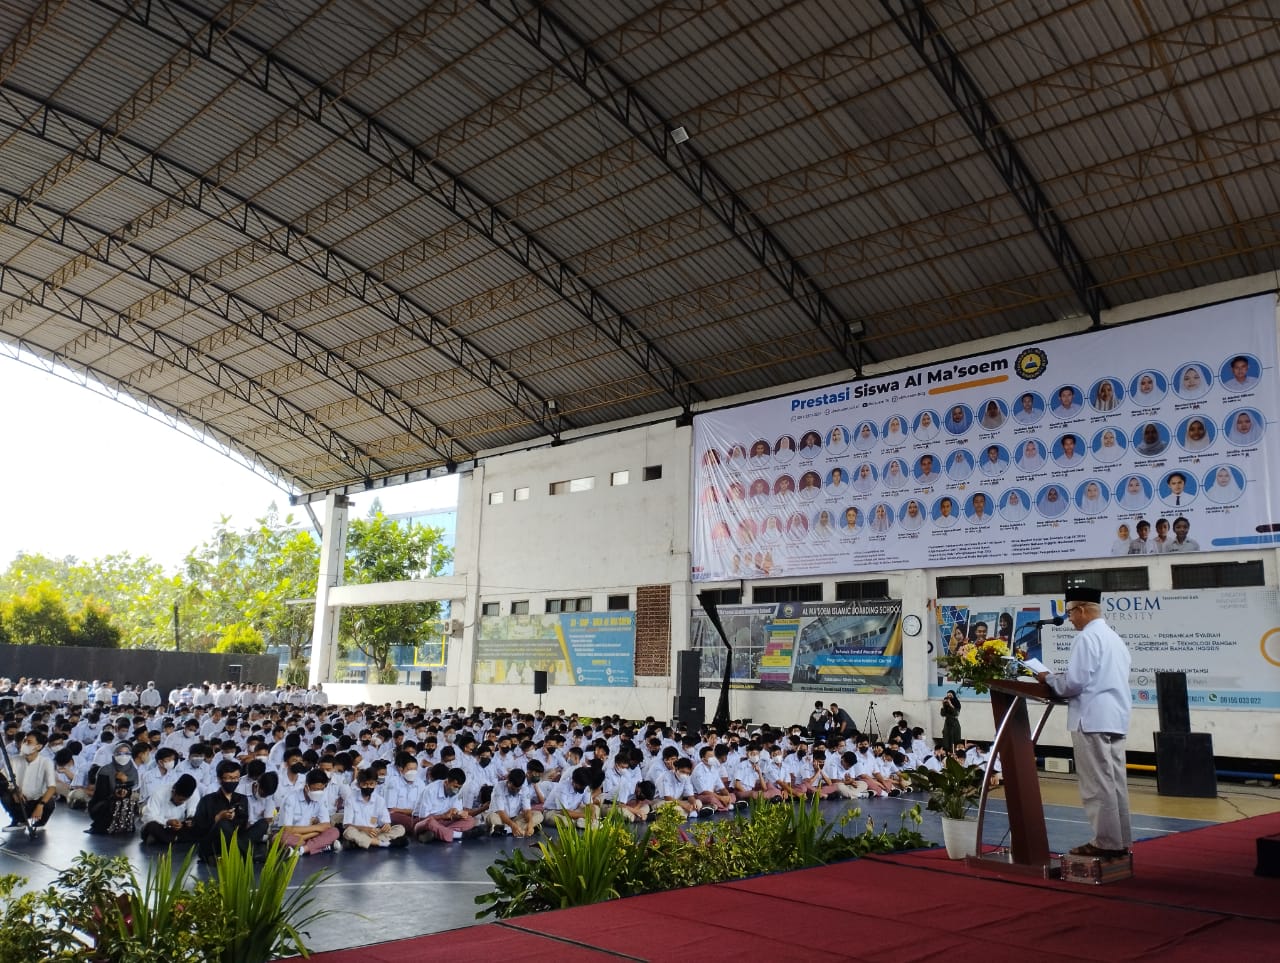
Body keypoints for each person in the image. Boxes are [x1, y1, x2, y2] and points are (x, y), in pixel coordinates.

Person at [1035, 587, 1132, 859]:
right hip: (1115, 717)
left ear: (1081, 610)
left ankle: (1106, 842)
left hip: (1091, 718)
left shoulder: (1087, 638)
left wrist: (1048, 678)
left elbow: (1074, 683)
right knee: (1114, 782)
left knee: (1097, 784)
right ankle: (1120, 839)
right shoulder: (1114, 638)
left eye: (1069, 613)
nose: (1069, 620)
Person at [192, 760, 252, 862]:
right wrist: (217, 818)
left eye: (236, 778)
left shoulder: (242, 799)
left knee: (262, 824)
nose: (233, 781)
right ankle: (249, 856)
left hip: (236, 836)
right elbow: (198, 829)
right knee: (223, 823)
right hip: (213, 842)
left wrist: (235, 819)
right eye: (229, 778)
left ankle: (234, 854)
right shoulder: (207, 800)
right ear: (220, 779)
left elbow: (243, 822)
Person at [2, 730, 57, 831]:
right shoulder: (13, 760)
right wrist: (14, 790)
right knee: (4, 795)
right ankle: (18, 821)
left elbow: (52, 787)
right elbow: (4, 779)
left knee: (49, 801)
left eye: (29, 742)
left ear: (38, 747)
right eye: (24, 741)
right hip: (19, 800)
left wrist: (40, 805)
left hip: (37, 801)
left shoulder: (46, 762)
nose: (24, 744)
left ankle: (40, 822)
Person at [279, 769, 340, 855]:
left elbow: (326, 825)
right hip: (294, 835)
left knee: (334, 831)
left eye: (322, 789)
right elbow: (288, 829)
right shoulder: (291, 798)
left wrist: (303, 836)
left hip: (303, 836)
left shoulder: (321, 797)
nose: (319, 792)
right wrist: (317, 829)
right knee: (283, 837)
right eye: (316, 789)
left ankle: (302, 850)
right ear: (306, 787)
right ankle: (320, 846)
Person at [140, 773, 198, 845]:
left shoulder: (193, 794)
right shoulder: (159, 793)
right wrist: (167, 822)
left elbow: (193, 810)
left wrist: (190, 819)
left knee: (198, 826)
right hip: (161, 826)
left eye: (185, 800)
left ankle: (168, 839)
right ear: (173, 792)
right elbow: (148, 817)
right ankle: (176, 839)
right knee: (152, 826)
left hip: (179, 827)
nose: (182, 803)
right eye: (180, 800)